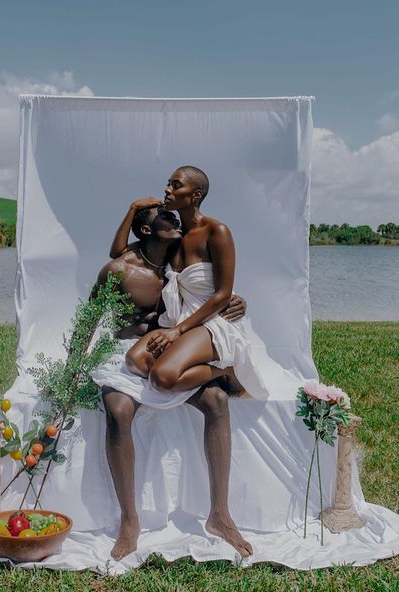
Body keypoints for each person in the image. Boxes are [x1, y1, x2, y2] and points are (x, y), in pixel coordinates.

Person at [92, 199, 253, 560]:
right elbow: (94, 303)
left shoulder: (176, 252)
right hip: (129, 349)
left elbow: (210, 286)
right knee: (118, 410)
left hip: (171, 343)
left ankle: (220, 514)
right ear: (148, 230)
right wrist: (132, 208)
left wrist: (237, 301)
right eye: (165, 216)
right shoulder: (120, 267)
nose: (173, 218)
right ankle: (129, 520)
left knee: (216, 400)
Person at [125, 166, 257, 397]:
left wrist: (176, 332)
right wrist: (134, 208)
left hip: (211, 321)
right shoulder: (174, 237)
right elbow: (119, 250)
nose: (167, 190)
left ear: (195, 195)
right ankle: (197, 373)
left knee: (162, 378)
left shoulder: (217, 231)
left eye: (176, 185)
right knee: (135, 361)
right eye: (168, 184)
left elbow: (223, 294)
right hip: (181, 318)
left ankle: (226, 371)